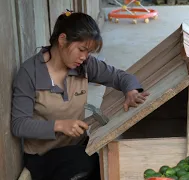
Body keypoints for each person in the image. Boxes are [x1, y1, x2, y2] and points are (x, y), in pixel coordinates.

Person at [11, 11, 149, 180]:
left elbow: (120, 77)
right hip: (44, 157)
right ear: (62, 40)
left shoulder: (84, 65)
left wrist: (131, 92)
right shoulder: (29, 73)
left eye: (88, 52)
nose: (84, 57)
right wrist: (59, 125)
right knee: (86, 164)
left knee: (108, 163)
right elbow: (19, 125)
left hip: (79, 149)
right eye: (81, 49)